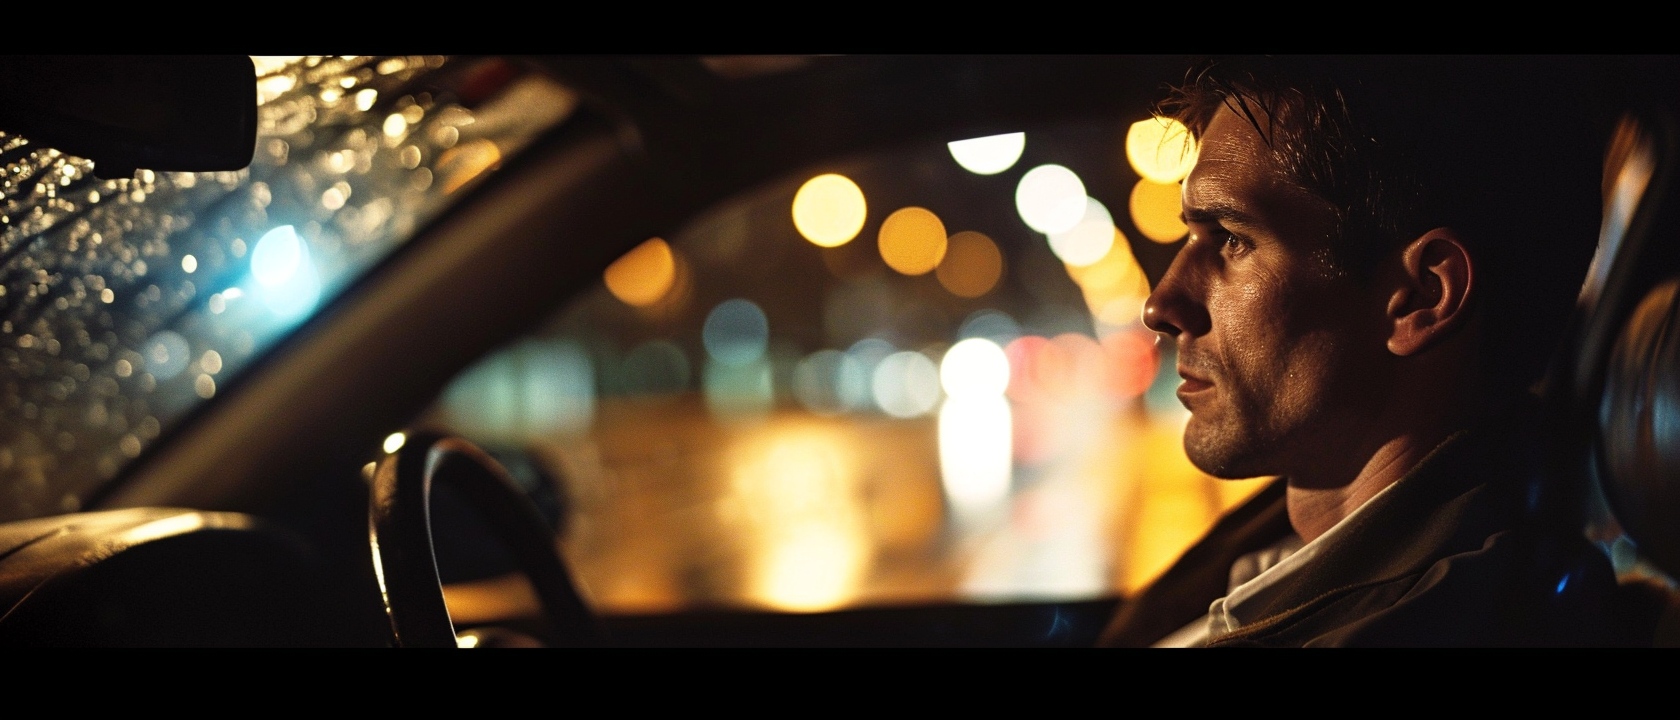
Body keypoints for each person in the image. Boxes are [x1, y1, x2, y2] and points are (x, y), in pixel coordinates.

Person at [1098, 57, 1650, 647]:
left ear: (1421, 297)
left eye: (1232, 239)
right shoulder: (1277, 562)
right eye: (1192, 235)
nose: (1160, 306)